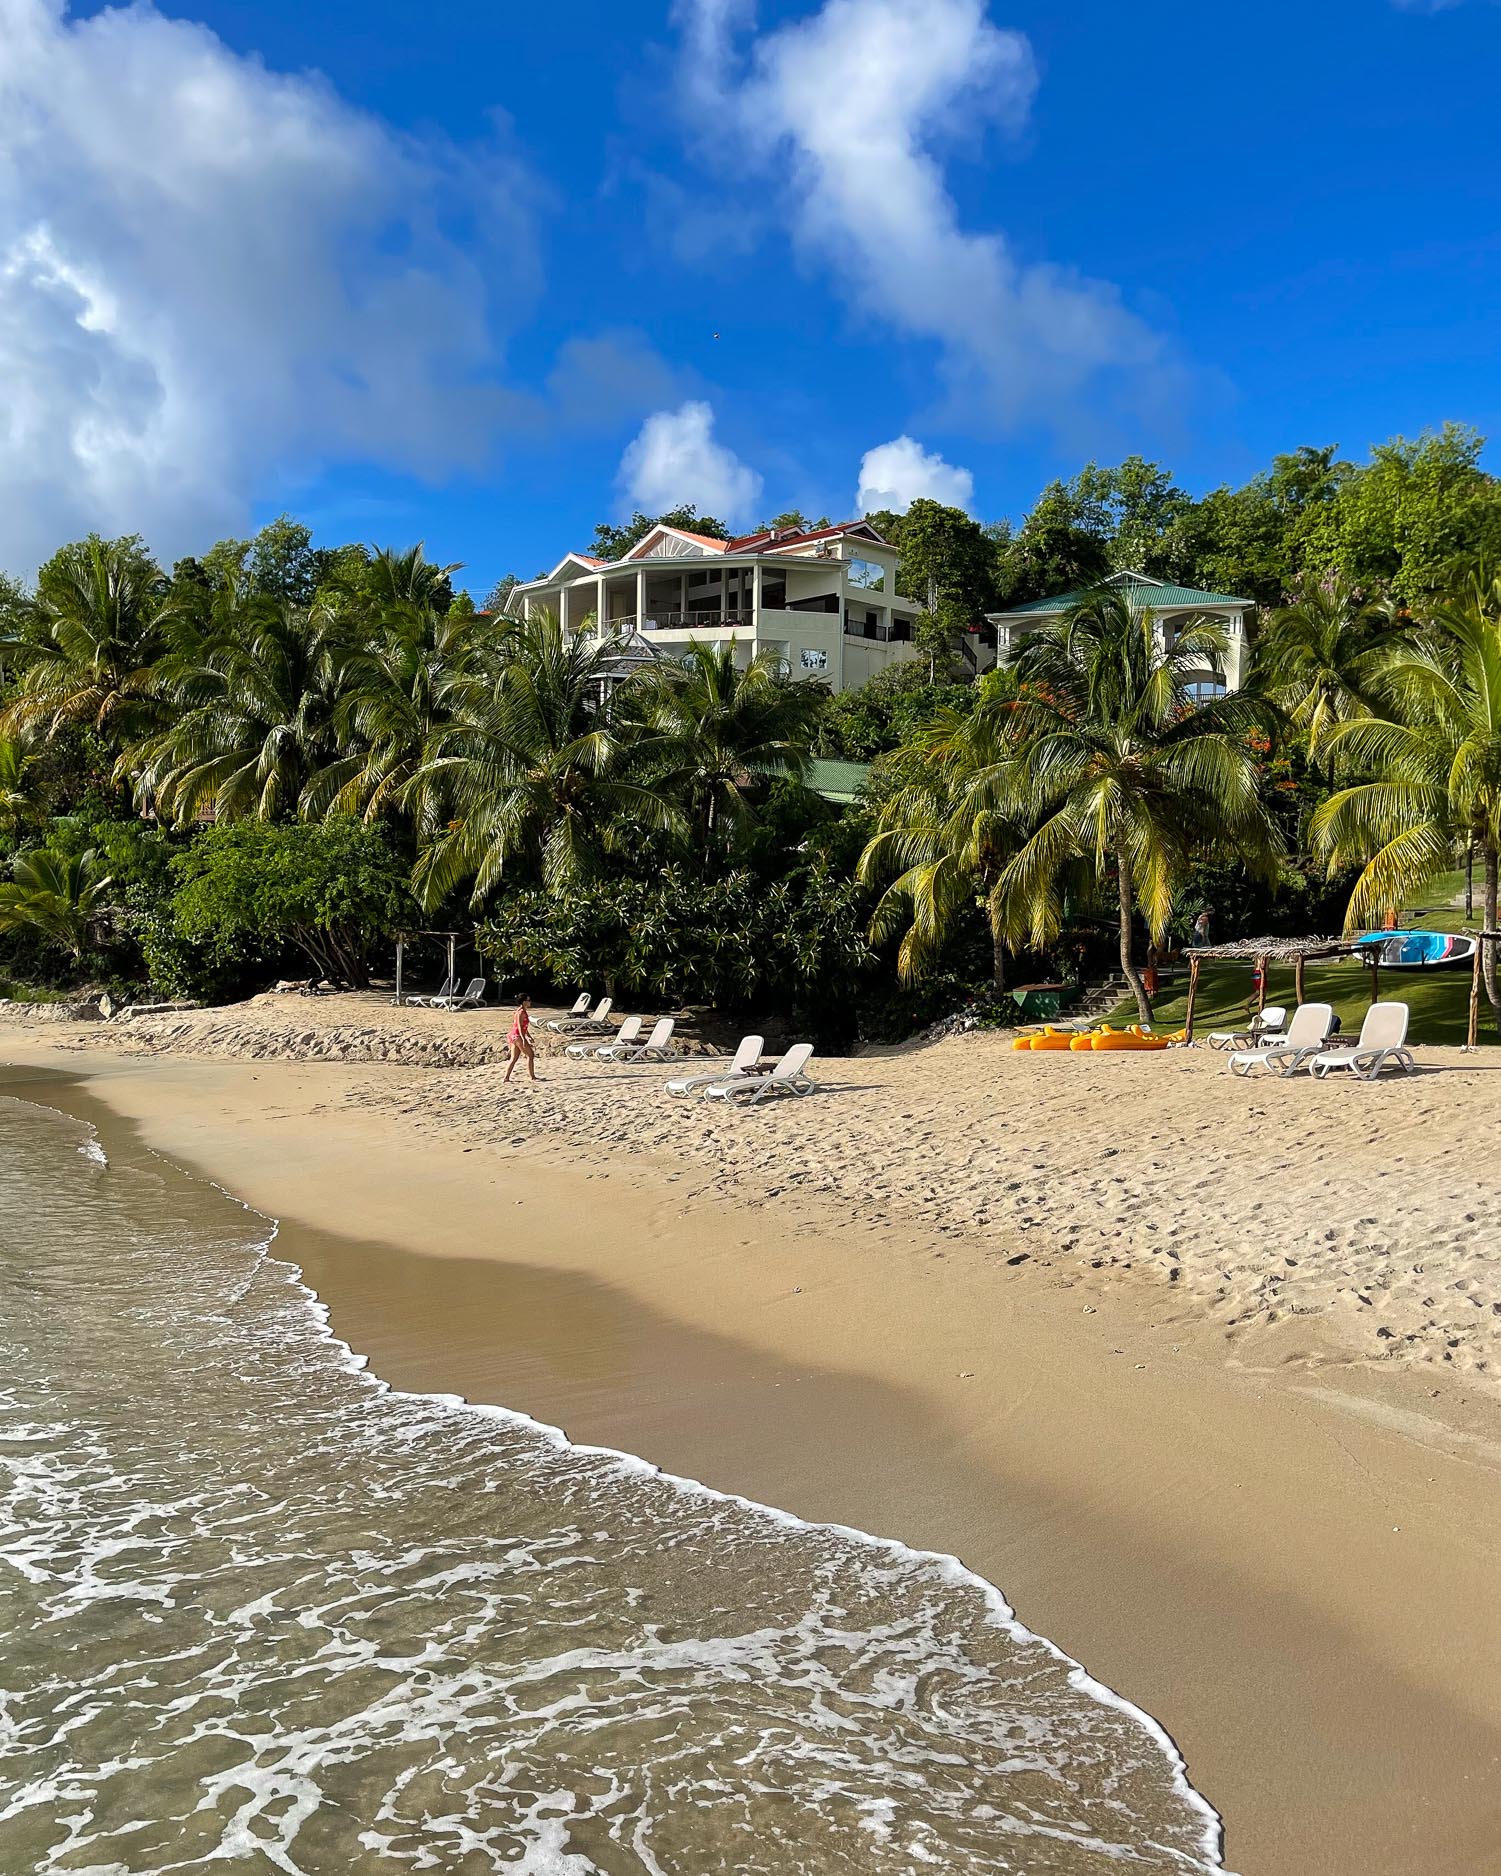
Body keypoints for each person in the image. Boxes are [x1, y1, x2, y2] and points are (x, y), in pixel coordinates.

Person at [503, 994, 537, 1084]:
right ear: (524, 1002)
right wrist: (524, 1039)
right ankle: (532, 1076)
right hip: (517, 1036)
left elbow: (524, 1027)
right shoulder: (521, 1012)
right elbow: (519, 1026)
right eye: (528, 1000)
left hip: (514, 1036)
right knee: (530, 1055)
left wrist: (528, 1036)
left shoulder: (521, 1011)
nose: (530, 1002)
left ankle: (506, 1078)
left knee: (514, 1058)